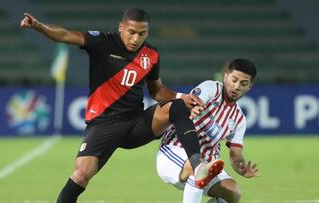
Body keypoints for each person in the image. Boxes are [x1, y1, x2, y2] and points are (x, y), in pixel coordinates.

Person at [21, 8, 208, 203]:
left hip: (136, 123)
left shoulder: (150, 55)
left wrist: (181, 96)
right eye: (131, 32)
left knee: (177, 106)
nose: (136, 39)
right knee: (81, 175)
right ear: (121, 27)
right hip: (103, 125)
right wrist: (38, 26)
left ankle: (197, 164)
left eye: (142, 34)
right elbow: (66, 35)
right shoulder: (102, 42)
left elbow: (157, 91)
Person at [156, 58, 260, 203]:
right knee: (199, 170)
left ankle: (200, 171)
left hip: (207, 165)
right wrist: (195, 107)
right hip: (174, 152)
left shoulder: (239, 119)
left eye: (243, 83)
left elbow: (236, 154)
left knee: (233, 193)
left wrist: (241, 167)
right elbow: (196, 101)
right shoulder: (211, 88)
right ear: (225, 76)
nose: (236, 87)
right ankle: (199, 170)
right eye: (234, 80)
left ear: (250, 86)